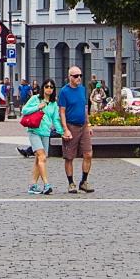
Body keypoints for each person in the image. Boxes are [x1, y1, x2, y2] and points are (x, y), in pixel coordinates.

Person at [56, 66, 94, 194]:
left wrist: (88, 124)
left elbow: (84, 108)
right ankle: (71, 183)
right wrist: (65, 129)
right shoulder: (64, 92)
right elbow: (61, 112)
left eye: (80, 76)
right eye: (76, 76)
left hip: (83, 125)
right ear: (69, 77)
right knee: (69, 157)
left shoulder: (82, 90)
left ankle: (83, 181)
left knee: (88, 154)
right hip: (71, 126)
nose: (79, 78)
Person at [19, 78, 59, 194]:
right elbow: (24, 111)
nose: (49, 89)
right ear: (43, 88)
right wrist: (38, 107)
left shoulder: (53, 103)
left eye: (51, 87)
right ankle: (47, 184)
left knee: (38, 159)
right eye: (47, 86)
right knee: (42, 157)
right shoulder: (35, 98)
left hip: (45, 133)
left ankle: (33, 185)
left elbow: (55, 119)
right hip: (34, 131)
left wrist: (62, 131)